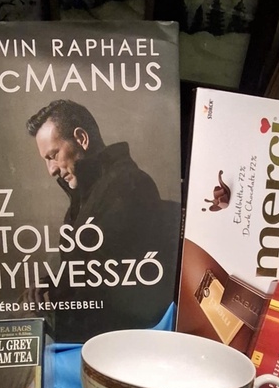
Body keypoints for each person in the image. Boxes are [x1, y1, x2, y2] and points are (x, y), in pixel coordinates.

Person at [26, 99, 180, 342]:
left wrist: (48, 310)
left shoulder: (127, 187)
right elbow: (85, 271)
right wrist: (50, 285)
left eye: (53, 155)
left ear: (81, 139)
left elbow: (101, 298)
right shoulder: (89, 196)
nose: (51, 170)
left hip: (120, 345)